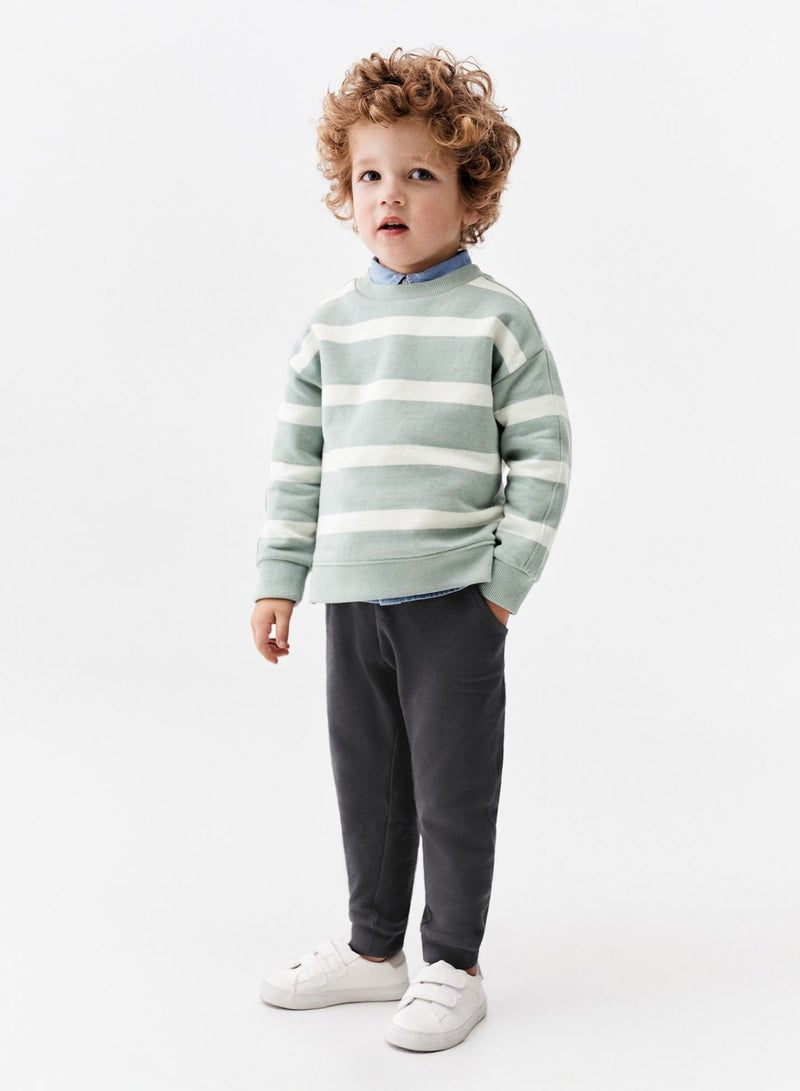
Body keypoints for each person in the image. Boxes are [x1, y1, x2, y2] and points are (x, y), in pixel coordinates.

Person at [250, 46, 572, 1052]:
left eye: (419, 173)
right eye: (369, 175)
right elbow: (297, 466)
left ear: (471, 195)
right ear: (346, 192)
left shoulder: (496, 317)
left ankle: (452, 962)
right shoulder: (327, 331)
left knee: (451, 788)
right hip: (352, 599)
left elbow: (545, 457)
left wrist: (501, 586)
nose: (389, 194)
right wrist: (280, 580)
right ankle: (372, 945)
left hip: (453, 601)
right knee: (370, 781)